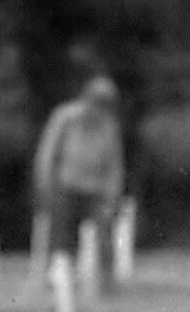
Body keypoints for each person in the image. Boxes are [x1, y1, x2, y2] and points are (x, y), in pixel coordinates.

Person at [33, 73, 124, 269]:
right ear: (87, 98)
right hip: (66, 185)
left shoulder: (109, 126)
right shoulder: (65, 117)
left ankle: (105, 281)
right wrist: (44, 183)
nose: (99, 109)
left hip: (96, 189)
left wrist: (112, 196)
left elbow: (115, 165)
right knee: (62, 238)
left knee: (104, 235)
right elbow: (47, 153)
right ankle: (60, 278)